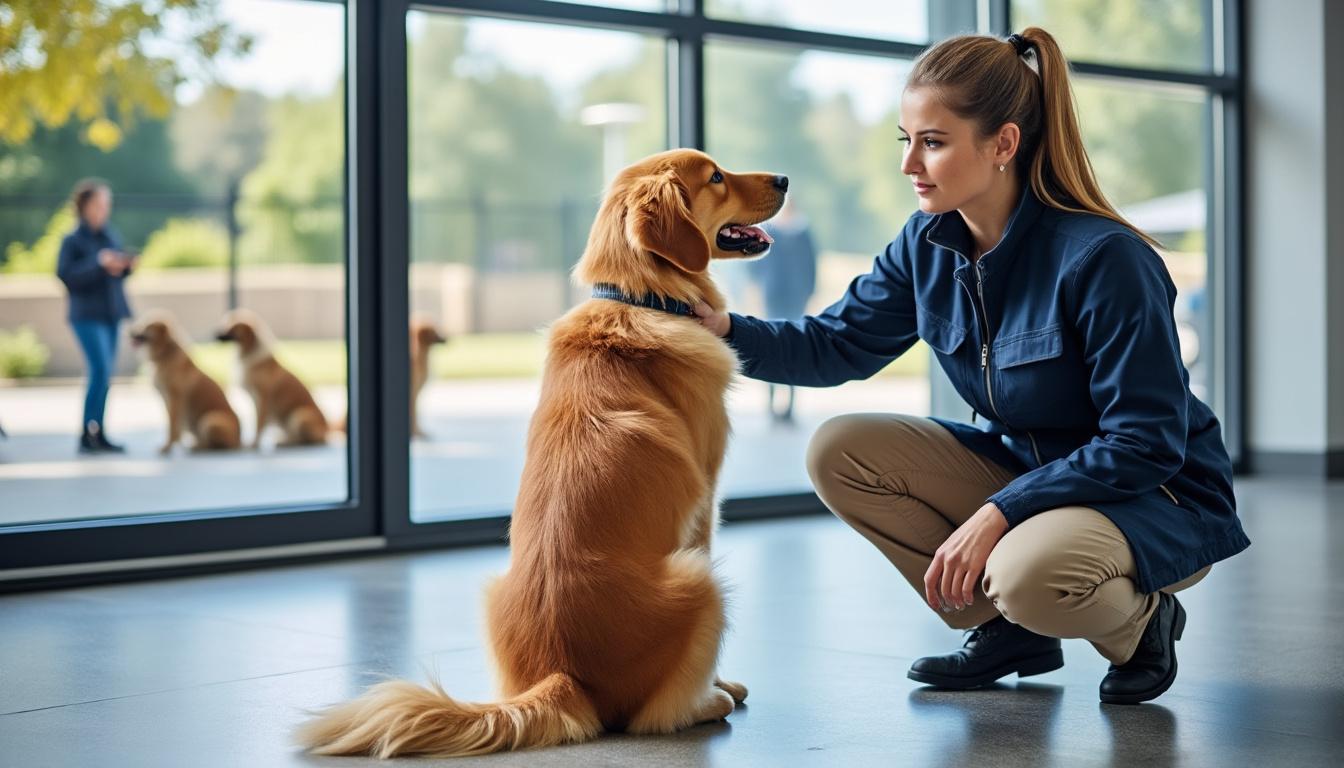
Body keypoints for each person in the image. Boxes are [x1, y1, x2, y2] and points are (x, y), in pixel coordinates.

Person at [693, 28, 1249, 705]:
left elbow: (1145, 442)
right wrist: (722, 329)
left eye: (933, 142)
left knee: (1025, 575)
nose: (909, 164)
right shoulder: (925, 244)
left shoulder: (1105, 260)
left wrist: (998, 512)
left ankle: (1142, 624)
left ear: (1003, 144)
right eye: (907, 140)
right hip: (1034, 475)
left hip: (1154, 495)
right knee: (839, 449)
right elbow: (836, 343)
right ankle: (1008, 634)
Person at [57, 178, 137, 454]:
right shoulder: (72, 240)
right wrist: (98, 263)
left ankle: (99, 431)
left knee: (106, 374)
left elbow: (117, 274)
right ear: (85, 206)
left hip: (110, 313)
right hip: (86, 315)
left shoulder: (109, 235)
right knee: (99, 369)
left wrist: (124, 266)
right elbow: (66, 276)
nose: (104, 209)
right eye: (99, 204)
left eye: (107, 204)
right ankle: (86, 432)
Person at [749, 197, 818, 422]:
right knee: (770, 344)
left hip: (795, 297)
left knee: (792, 347)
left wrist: (810, 293)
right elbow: (756, 266)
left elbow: (811, 266)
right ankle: (770, 404)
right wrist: (756, 293)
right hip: (773, 295)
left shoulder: (803, 234)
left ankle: (789, 407)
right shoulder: (769, 230)